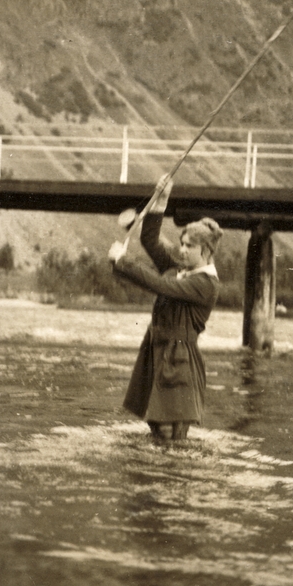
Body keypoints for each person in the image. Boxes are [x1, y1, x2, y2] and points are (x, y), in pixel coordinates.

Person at [109, 175, 222, 447]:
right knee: (156, 428)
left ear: (205, 250)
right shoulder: (180, 268)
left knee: (172, 434)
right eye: (181, 244)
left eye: (189, 246)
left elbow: (162, 285)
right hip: (158, 353)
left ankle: (173, 482)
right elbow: (149, 239)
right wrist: (161, 200)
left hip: (180, 359)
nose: (182, 250)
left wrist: (123, 261)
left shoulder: (205, 284)